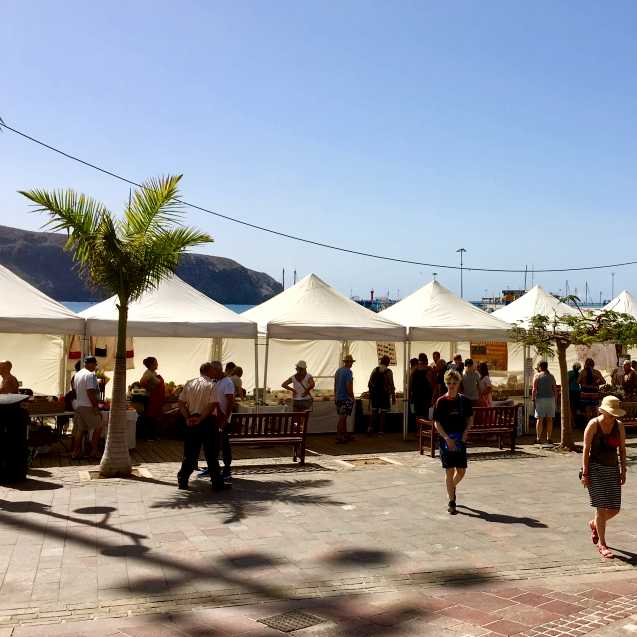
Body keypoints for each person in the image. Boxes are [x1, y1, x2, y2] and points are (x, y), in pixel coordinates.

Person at [581, 395, 627, 559]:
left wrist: (623, 470)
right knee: (600, 508)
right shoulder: (594, 424)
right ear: (603, 411)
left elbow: (622, 449)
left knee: (614, 508)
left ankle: (594, 524)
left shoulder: (619, 426)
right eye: (610, 413)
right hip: (595, 469)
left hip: (612, 469)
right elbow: (586, 450)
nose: (612, 417)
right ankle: (603, 544)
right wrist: (585, 473)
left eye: (614, 414)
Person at [177, 362, 224, 490]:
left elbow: (180, 402)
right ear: (209, 371)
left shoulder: (190, 383)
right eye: (213, 370)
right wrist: (201, 418)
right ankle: (216, 482)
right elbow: (212, 404)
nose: (215, 373)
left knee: (190, 453)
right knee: (211, 453)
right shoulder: (211, 385)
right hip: (207, 421)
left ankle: (183, 479)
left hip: (192, 420)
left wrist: (187, 418)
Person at [433, 369, 473, 515]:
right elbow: (437, 423)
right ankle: (452, 501)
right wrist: (446, 438)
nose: (451, 386)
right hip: (446, 440)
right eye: (449, 383)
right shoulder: (441, 401)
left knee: (461, 471)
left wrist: (465, 434)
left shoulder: (465, 401)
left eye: (454, 383)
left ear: (459, 383)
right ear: (445, 383)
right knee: (449, 470)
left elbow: (470, 419)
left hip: (460, 439)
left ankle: (451, 487)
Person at [71, 356, 102, 459]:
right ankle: (94, 451)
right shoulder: (90, 375)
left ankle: (76, 452)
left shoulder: (77, 375)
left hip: (79, 405)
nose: (95, 366)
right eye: (95, 364)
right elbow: (90, 392)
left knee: (80, 430)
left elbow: (75, 391)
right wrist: (95, 406)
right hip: (87, 406)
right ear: (90, 364)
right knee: (98, 427)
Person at [212, 361, 236, 483]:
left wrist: (225, 419)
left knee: (225, 444)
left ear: (218, 370)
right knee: (214, 444)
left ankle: (227, 469)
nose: (211, 374)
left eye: (212, 371)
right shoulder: (216, 381)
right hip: (215, 417)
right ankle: (214, 467)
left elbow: (230, 402)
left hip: (223, 418)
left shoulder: (227, 382)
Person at [367, 355, 396, 435]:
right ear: (388, 363)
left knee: (374, 412)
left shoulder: (375, 370)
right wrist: (393, 396)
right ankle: (381, 430)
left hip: (375, 395)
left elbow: (369, 383)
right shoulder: (389, 372)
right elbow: (391, 384)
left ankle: (370, 428)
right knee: (383, 413)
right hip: (384, 395)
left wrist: (371, 393)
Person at [139, 356, 165, 440]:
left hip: (155, 398)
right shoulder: (148, 373)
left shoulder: (153, 373)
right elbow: (142, 382)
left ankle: (152, 435)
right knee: (150, 417)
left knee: (153, 417)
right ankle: (148, 436)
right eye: (156, 363)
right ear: (151, 364)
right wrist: (150, 389)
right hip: (150, 398)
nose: (157, 364)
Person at [532, 361, 557, 445]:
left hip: (540, 399)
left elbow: (534, 389)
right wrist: (555, 399)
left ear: (539, 367)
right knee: (549, 419)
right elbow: (555, 389)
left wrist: (533, 399)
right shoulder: (551, 376)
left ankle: (538, 438)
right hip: (551, 399)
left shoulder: (537, 376)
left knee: (540, 419)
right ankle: (549, 438)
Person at [334, 354, 355, 444]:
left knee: (343, 417)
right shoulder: (348, 372)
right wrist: (352, 397)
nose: (351, 364)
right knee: (342, 418)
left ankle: (345, 434)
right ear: (348, 362)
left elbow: (335, 385)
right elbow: (348, 386)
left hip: (338, 397)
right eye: (351, 362)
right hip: (345, 398)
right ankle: (339, 436)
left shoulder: (338, 371)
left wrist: (335, 395)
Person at [410, 356, 433, 420]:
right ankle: (422, 429)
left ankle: (418, 429)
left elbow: (411, 384)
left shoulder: (413, 371)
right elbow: (431, 385)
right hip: (425, 397)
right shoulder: (428, 371)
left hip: (415, 396)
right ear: (426, 361)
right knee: (425, 416)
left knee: (416, 415)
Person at [568, 362, 582, 428]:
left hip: (571, 391)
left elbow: (566, 382)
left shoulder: (569, 373)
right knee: (575, 408)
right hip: (577, 392)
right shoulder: (579, 374)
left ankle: (572, 423)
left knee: (571, 408)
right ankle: (574, 423)